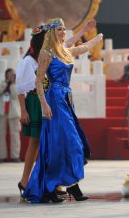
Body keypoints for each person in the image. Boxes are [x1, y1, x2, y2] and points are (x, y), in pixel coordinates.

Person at [22, 18, 103, 203]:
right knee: (70, 143)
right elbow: (39, 81)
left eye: (64, 29)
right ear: (51, 32)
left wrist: (96, 37)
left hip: (66, 98)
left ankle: (61, 186)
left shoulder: (64, 51)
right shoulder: (46, 52)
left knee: (62, 144)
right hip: (54, 99)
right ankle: (66, 186)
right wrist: (44, 104)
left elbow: (82, 47)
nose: (63, 32)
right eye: (59, 29)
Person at [0, 68, 20, 163]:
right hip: (2, 111)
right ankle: (1, 156)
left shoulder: (17, 85)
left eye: (13, 74)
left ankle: (15, 156)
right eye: (10, 74)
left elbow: (15, 94)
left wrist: (13, 83)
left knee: (15, 135)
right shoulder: (2, 83)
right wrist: (8, 82)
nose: (11, 76)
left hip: (13, 112)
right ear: (6, 75)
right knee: (0, 134)